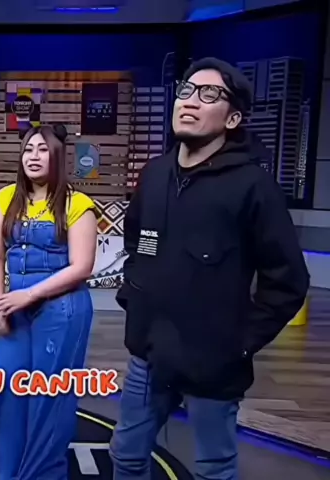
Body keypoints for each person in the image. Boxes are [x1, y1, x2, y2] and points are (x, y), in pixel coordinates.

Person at [109, 57, 310, 479]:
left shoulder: (254, 186)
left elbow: (288, 281)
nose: (191, 101)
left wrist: (240, 343)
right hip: (149, 354)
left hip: (214, 364)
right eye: (186, 91)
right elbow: (136, 243)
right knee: (125, 455)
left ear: (232, 118)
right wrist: (135, 301)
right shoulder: (154, 174)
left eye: (209, 95)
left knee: (212, 470)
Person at [0, 125, 98, 479]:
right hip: (14, 309)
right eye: (28, 150)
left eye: (42, 150)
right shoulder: (6, 198)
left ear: (58, 157)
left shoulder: (78, 204)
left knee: (49, 401)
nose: (33, 156)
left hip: (62, 309)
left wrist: (30, 295)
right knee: (7, 392)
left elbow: (82, 266)